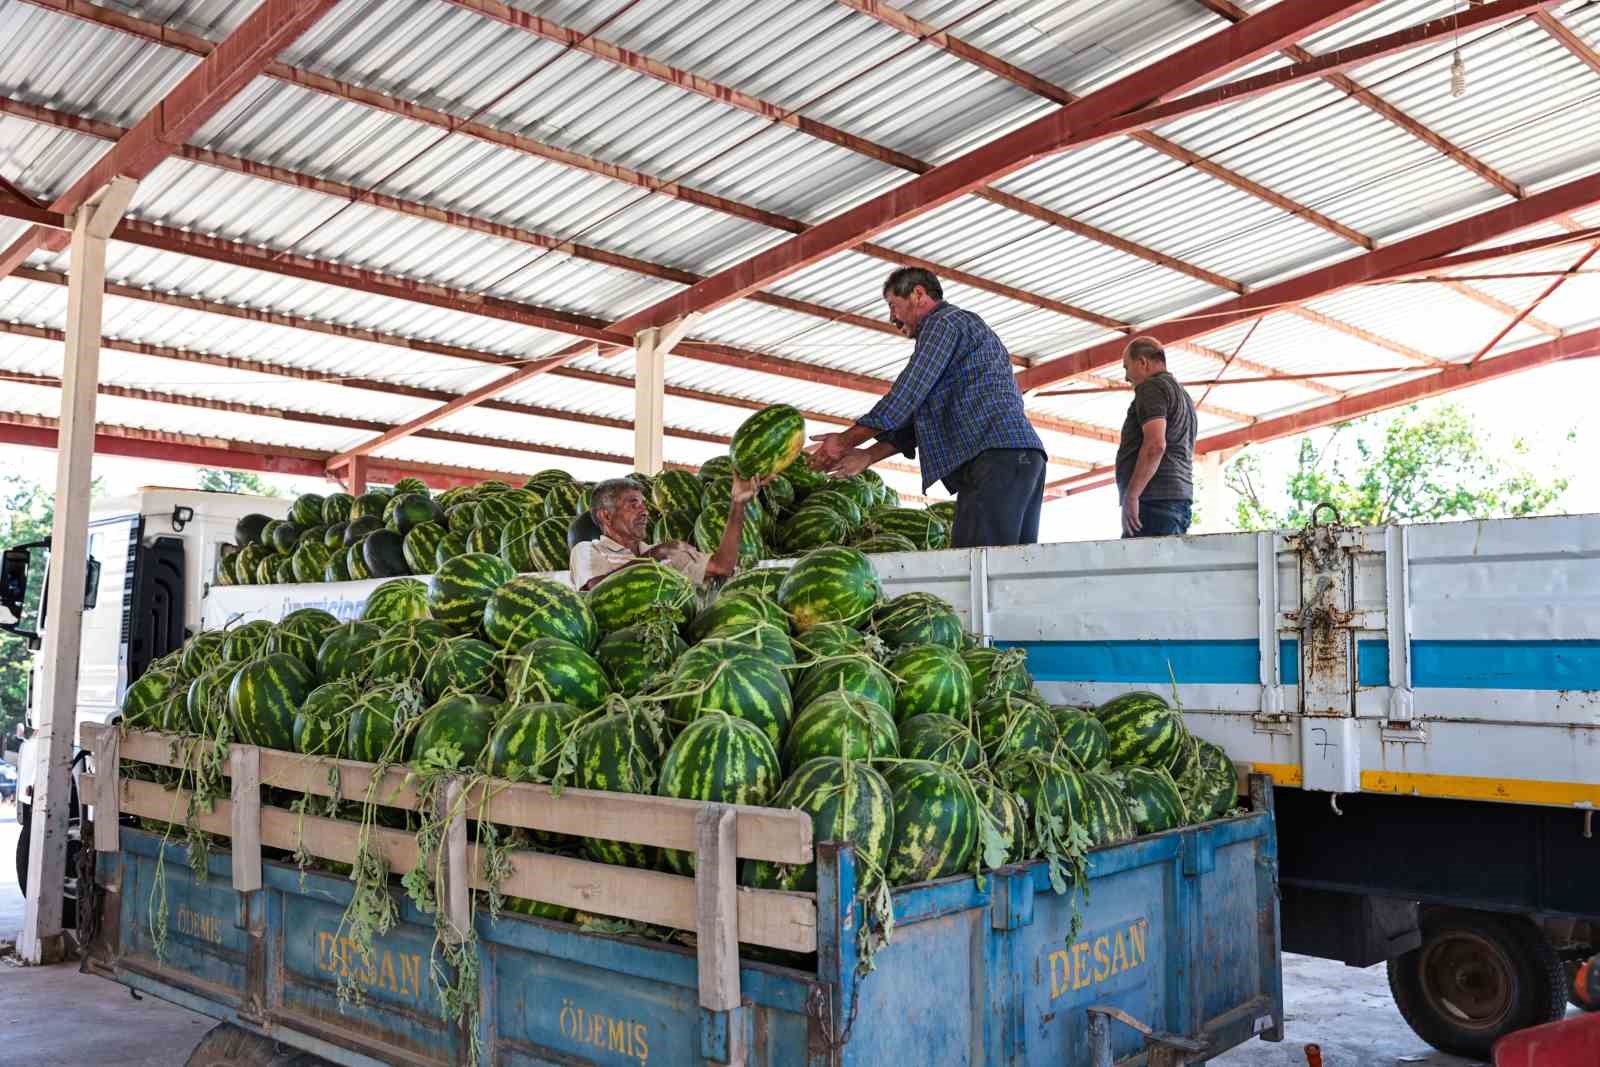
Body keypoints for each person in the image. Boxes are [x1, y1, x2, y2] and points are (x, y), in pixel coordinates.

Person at [805, 267, 1047, 548]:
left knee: (978, 565)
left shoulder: (944, 323)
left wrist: (844, 441)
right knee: (1011, 567)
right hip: (1018, 459)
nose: (892, 318)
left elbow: (907, 394)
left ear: (918, 294)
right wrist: (868, 455)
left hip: (997, 459)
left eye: (893, 306)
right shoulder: (960, 333)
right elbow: (918, 418)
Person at [568, 474, 765, 591]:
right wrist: (654, 556)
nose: (644, 511)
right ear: (606, 516)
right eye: (633, 504)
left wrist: (738, 503)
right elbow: (597, 588)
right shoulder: (587, 551)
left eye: (644, 504)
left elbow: (722, 566)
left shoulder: (667, 553)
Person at [1115, 336, 1196, 537]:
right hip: (1177, 500)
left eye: (1127, 367)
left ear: (1143, 362)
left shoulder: (1152, 388)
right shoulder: (1183, 395)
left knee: (1137, 567)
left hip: (1154, 501)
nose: (1126, 377)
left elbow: (1155, 445)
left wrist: (1132, 495)